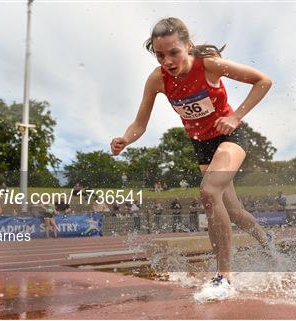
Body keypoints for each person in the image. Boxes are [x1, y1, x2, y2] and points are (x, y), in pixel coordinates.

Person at [110, 17, 275, 286]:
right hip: (202, 145)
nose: (167, 62)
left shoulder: (209, 65)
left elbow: (263, 81)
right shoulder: (157, 80)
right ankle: (266, 240)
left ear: (188, 46)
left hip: (230, 136)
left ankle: (223, 277)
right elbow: (140, 123)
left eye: (173, 52)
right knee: (232, 210)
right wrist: (126, 139)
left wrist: (236, 117)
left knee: (209, 191)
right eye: (160, 55)